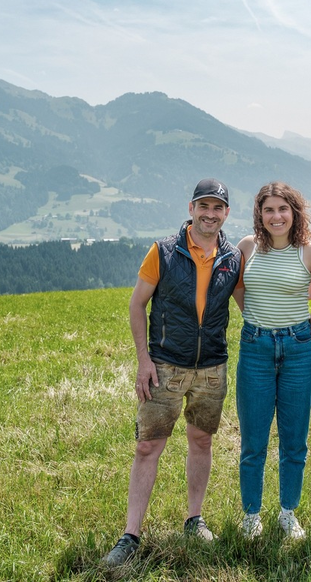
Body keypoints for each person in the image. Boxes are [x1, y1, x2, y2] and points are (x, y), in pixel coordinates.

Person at [102, 178, 242, 567]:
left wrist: (299, 321)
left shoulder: (232, 258)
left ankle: (194, 519)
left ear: (226, 213)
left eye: (217, 208)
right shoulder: (163, 251)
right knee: (148, 446)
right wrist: (144, 360)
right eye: (203, 206)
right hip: (165, 365)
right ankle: (131, 534)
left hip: (212, 367)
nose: (210, 214)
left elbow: (254, 305)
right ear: (191, 208)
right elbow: (136, 305)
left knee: (201, 442)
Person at [232, 182, 311, 540]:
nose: (276, 216)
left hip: (298, 351)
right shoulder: (247, 247)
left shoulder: (310, 252)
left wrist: (301, 313)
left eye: (283, 209)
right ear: (260, 214)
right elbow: (238, 288)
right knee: (253, 439)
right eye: (269, 209)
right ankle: (251, 515)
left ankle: (288, 512)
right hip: (255, 348)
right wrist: (255, 319)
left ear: (295, 212)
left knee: (294, 439)